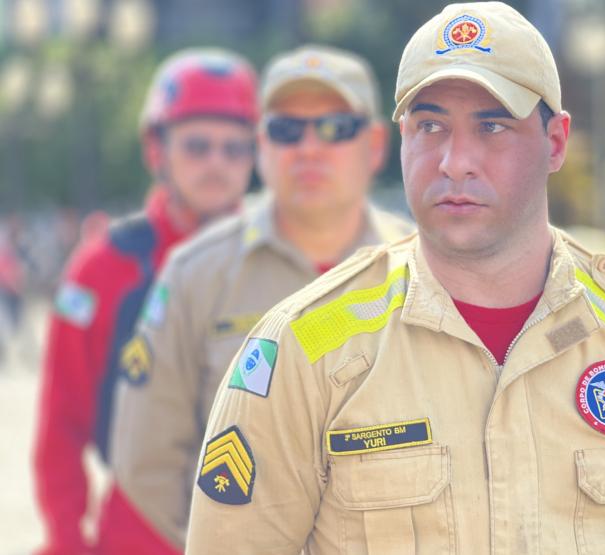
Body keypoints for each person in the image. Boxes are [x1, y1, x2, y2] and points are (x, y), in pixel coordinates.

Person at [186, 3, 605, 553]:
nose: (454, 160)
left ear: (556, 141)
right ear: (401, 141)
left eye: (492, 127)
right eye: (430, 127)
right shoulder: (305, 348)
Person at [109, 44, 414, 552]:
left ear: (377, 145)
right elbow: (147, 459)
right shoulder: (195, 273)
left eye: (336, 128)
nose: (309, 149)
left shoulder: (420, 268)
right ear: (261, 146)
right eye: (286, 130)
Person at [32, 48, 258, 555]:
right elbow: (60, 427)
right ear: (157, 151)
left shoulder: (286, 261)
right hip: (139, 534)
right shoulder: (102, 269)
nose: (217, 164)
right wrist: (68, 540)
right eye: (197, 146)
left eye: (234, 149)